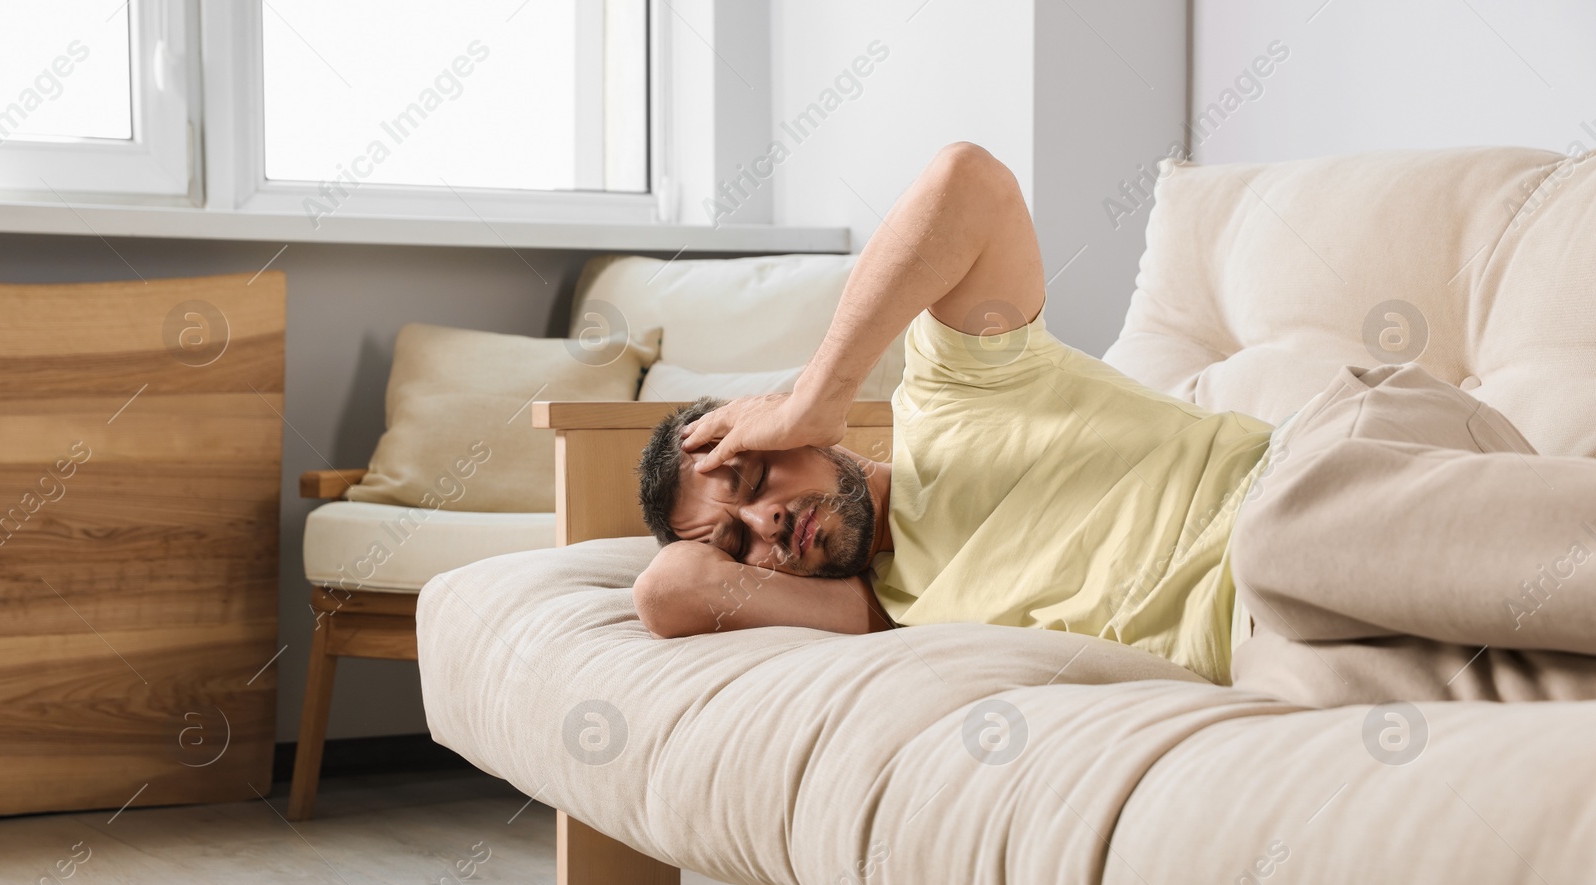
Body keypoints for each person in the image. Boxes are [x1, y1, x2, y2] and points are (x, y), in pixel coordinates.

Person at [630, 142, 1596, 708]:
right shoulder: (883, 616)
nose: (766, 529)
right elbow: (669, 591)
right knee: (1318, 704)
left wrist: (814, 394)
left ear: (790, 435)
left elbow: (969, 182)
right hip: (1288, 628)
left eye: (756, 483)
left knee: (1279, 549)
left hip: (1338, 471)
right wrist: (715, 532)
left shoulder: (956, 392)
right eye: (737, 541)